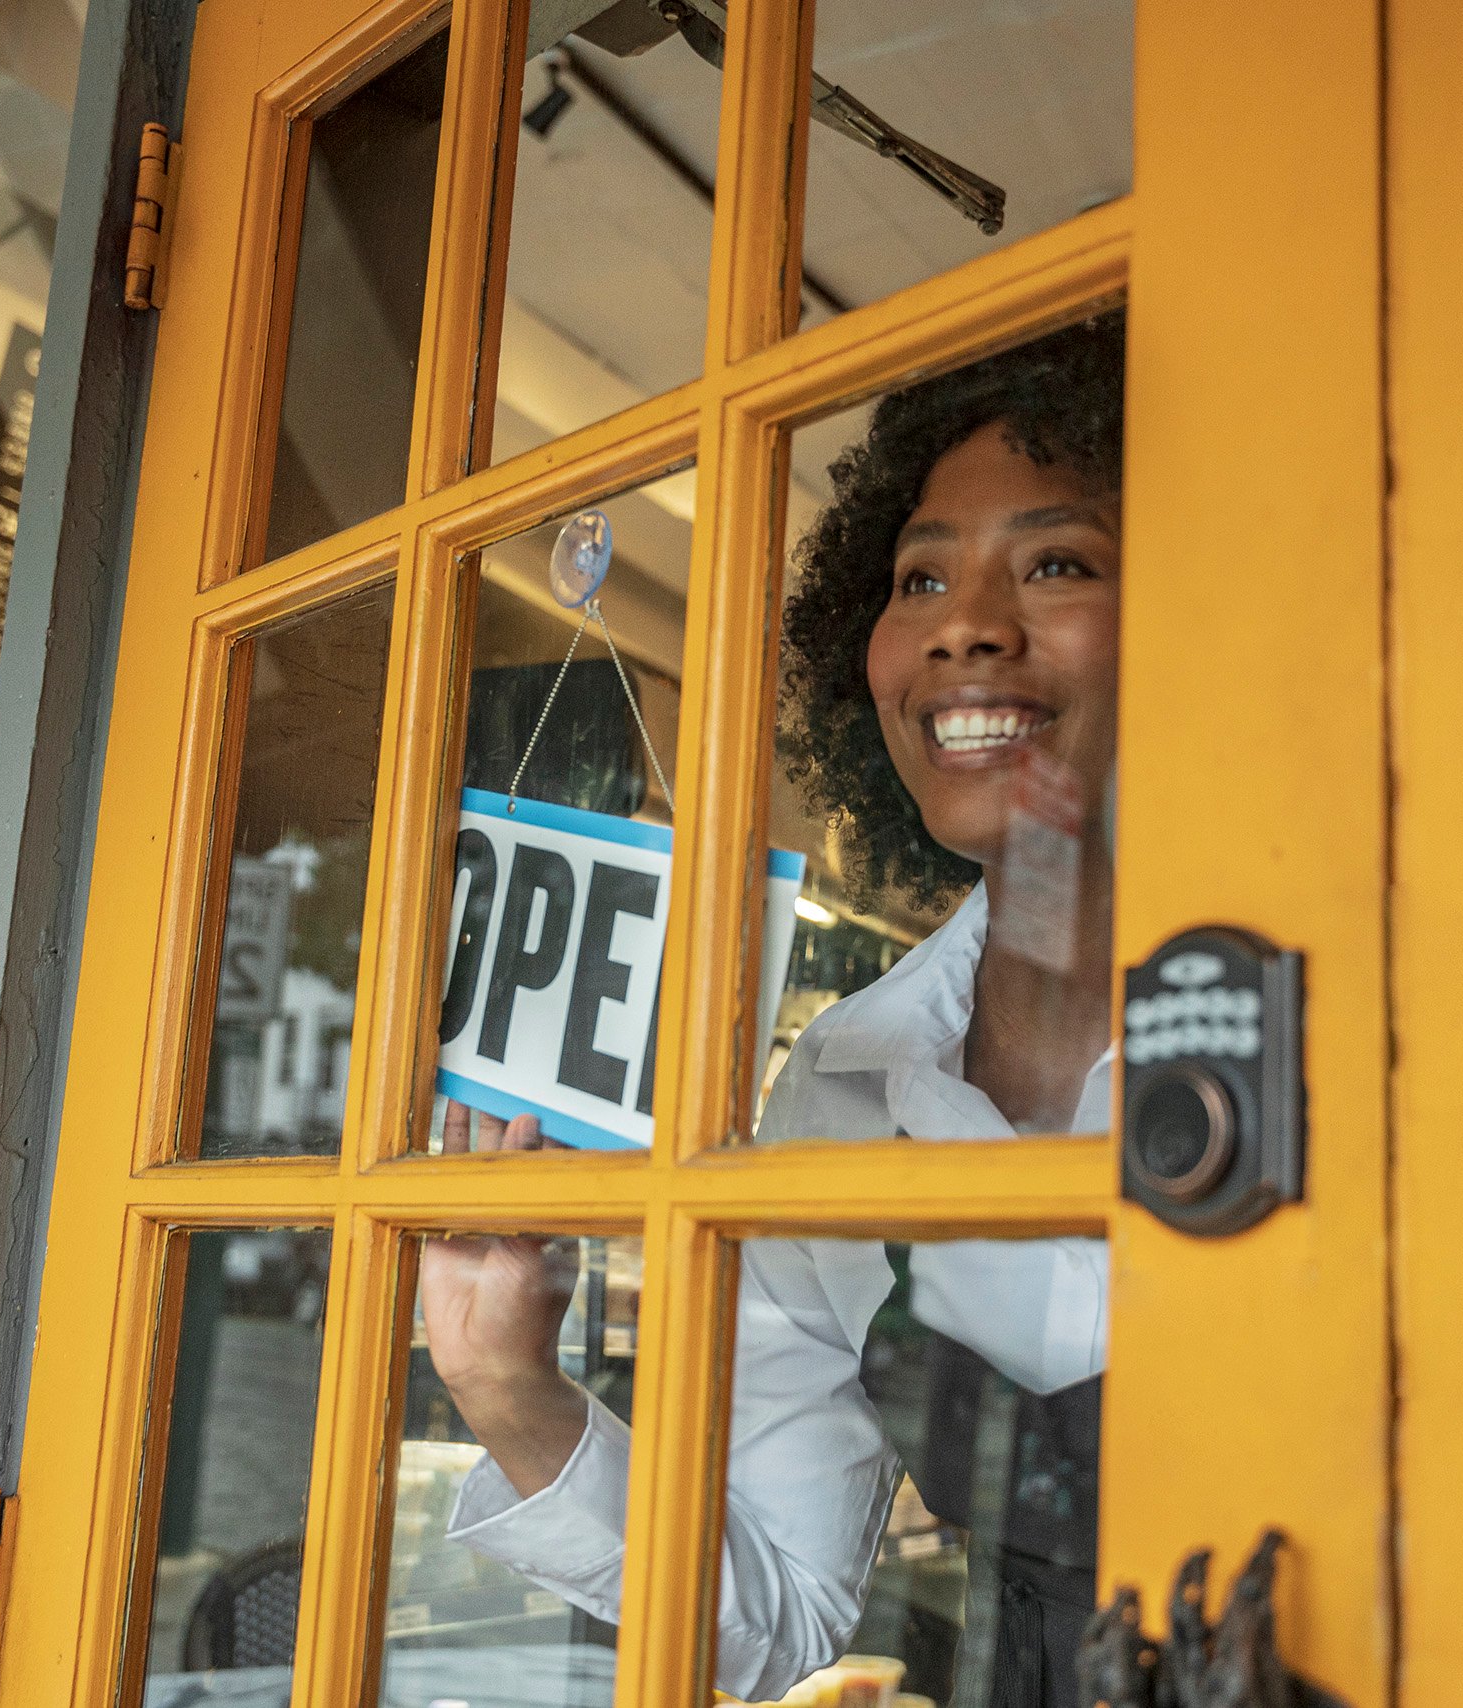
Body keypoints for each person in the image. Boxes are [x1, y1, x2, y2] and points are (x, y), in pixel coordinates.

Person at [425, 314, 1124, 1706]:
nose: (966, 624)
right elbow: (783, 1614)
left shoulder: (1345, 1009)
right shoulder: (840, 1085)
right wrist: (509, 1384)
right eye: (920, 576)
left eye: (1056, 563)